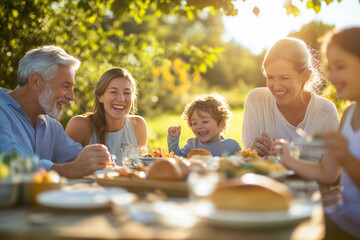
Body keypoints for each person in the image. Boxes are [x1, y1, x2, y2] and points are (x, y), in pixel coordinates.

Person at [272, 27, 360, 240]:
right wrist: (286, 158)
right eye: (330, 68)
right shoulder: (349, 115)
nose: (331, 76)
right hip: (341, 219)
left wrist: (346, 158)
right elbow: (327, 173)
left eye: (340, 67)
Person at [241, 37, 341, 207]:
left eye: (285, 78)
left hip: (316, 201)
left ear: (305, 76)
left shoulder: (324, 112)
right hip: (266, 197)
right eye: (270, 77)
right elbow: (248, 163)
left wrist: (284, 159)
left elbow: (331, 175)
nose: (276, 86)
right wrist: (253, 151)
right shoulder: (256, 100)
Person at [0, 45, 112, 178]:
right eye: (65, 86)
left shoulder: (52, 127)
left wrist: (101, 160)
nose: (72, 97)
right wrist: (70, 170)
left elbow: (82, 160)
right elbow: (9, 165)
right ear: (36, 82)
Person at [65, 67, 147, 163]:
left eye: (127, 93)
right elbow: (64, 168)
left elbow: (141, 168)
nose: (121, 99)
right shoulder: (80, 125)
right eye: (113, 92)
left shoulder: (138, 125)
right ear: (100, 96)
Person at [168, 94, 241, 157]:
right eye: (194, 123)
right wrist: (173, 139)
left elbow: (242, 164)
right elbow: (176, 158)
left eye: (205, 121)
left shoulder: (231, 145)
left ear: (222, 124)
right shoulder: (192, 145)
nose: (199, 126)